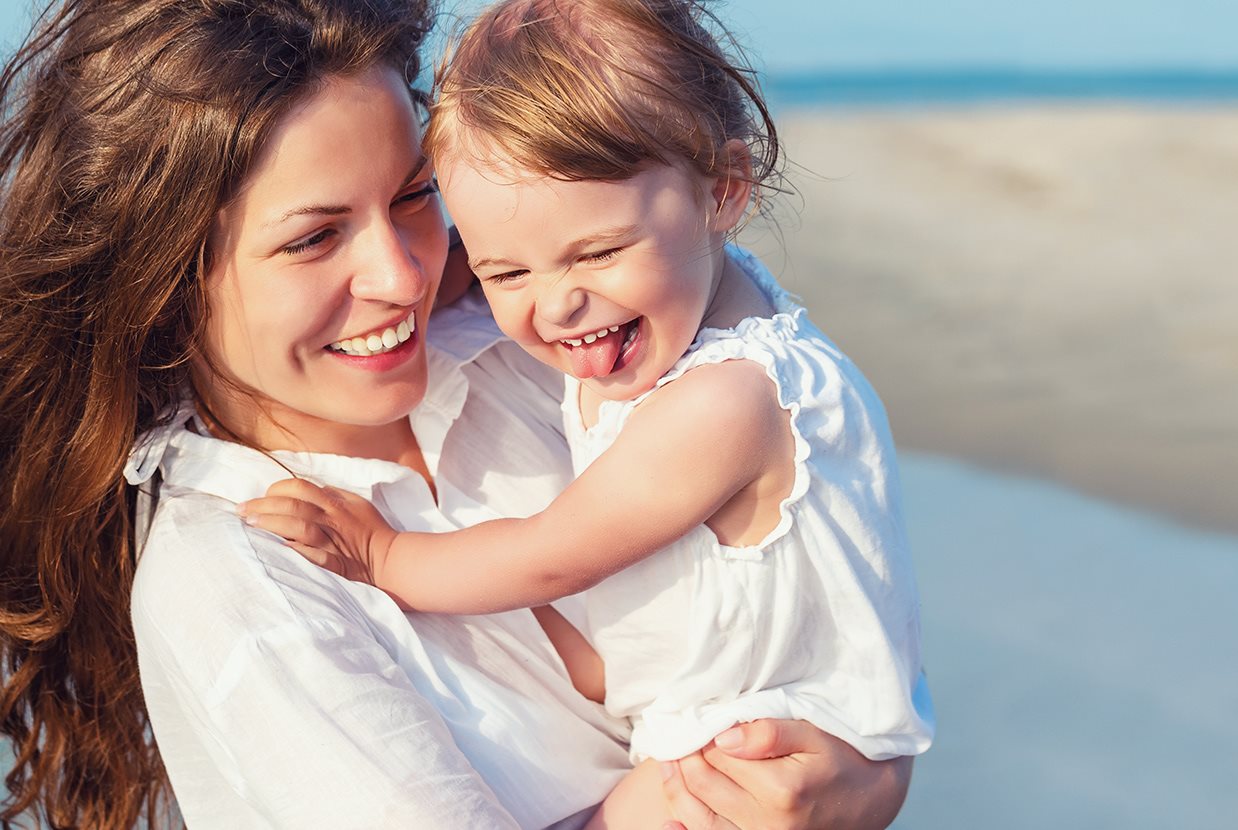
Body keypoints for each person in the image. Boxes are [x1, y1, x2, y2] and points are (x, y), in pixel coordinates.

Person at [0, 0, 917, 828]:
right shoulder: (238, 579)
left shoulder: (551, 346)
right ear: (160, 280)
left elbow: (822, 596)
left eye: (413, 196)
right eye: (314, 238)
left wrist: (863, 788)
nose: (404, 276)